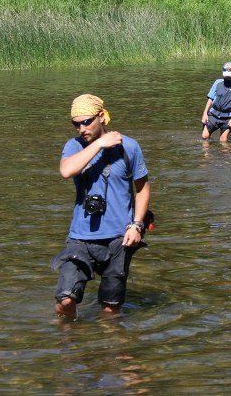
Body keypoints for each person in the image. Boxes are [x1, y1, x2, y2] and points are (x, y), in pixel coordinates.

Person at [52, 94, 151, 319]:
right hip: (80, 237)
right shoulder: (74, 146)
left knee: (111, 308)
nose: (81, 128)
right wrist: (99, 144)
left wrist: (136, 225)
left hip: (119, 237)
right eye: (76, 124)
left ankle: (106, 347)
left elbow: (143, 189)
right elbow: (66, 171)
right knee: (65, 299)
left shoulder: (130, 147)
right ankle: (67, 344)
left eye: (87, 121)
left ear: (101, 117)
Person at [202, 62, 231, 141]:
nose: (228, 78)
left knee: (223, 141)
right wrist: (205, 113)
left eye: (230, 77)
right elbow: (210, 98)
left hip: (228, 117)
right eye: (226, 76)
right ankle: (207, 152)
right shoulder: (218, 82)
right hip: (213, 114)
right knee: (205, 137)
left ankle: (226, 152)